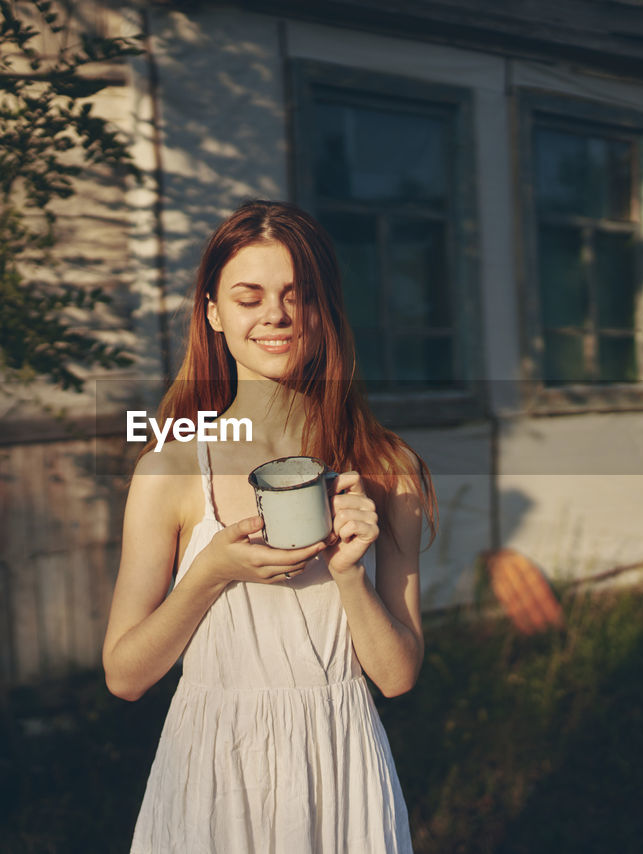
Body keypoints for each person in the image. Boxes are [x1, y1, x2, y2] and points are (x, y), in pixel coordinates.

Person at [102, 200, 437, 852]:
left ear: (325, 309)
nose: (276, 315)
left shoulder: (385, 467)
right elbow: (125, 676)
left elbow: (397, 677)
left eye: (297, 295)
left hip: (343, 774)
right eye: (249, 296)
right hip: (213, 774)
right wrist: (208, 575)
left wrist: (349, 579)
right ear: (214, 312)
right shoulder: (170, 469)